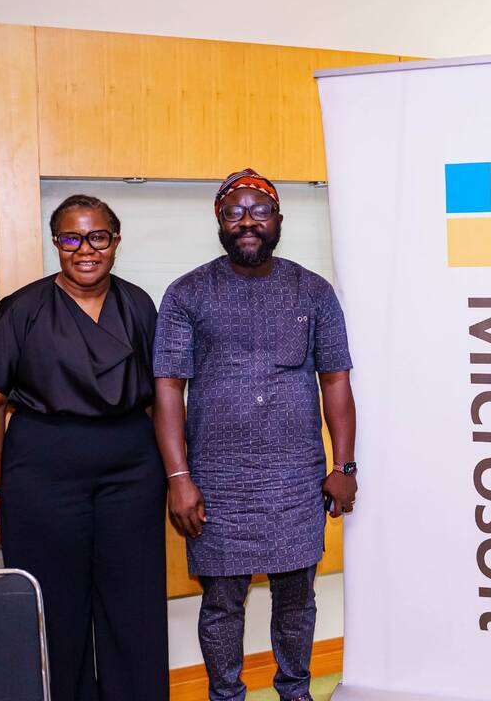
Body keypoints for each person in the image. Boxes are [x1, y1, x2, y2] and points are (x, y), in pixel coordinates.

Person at [153, 168, 357, 701]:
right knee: (222, 604)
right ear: (219, 221)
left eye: (259, 210)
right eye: (235, 212)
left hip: (296, 481)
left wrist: (344, 465)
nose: (248, 222)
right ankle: (226, 696)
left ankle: (296, 691)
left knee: (297, 600)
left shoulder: (314, 291)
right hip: (216, 483)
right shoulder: (187, 293)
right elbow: (168, 388)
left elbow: (335, 380)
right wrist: (179, 478)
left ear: (278, 219)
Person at [0, 194, 168, 700]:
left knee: (133, 604)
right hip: (42, 472)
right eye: (71, 238)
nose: (85, 250)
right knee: (55, 607)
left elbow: (159, 399)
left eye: (97, 237)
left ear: (115, 242)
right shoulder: (22, 309)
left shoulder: (138, 304)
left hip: (132, 471)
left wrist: (175, 474)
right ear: (55, 243)